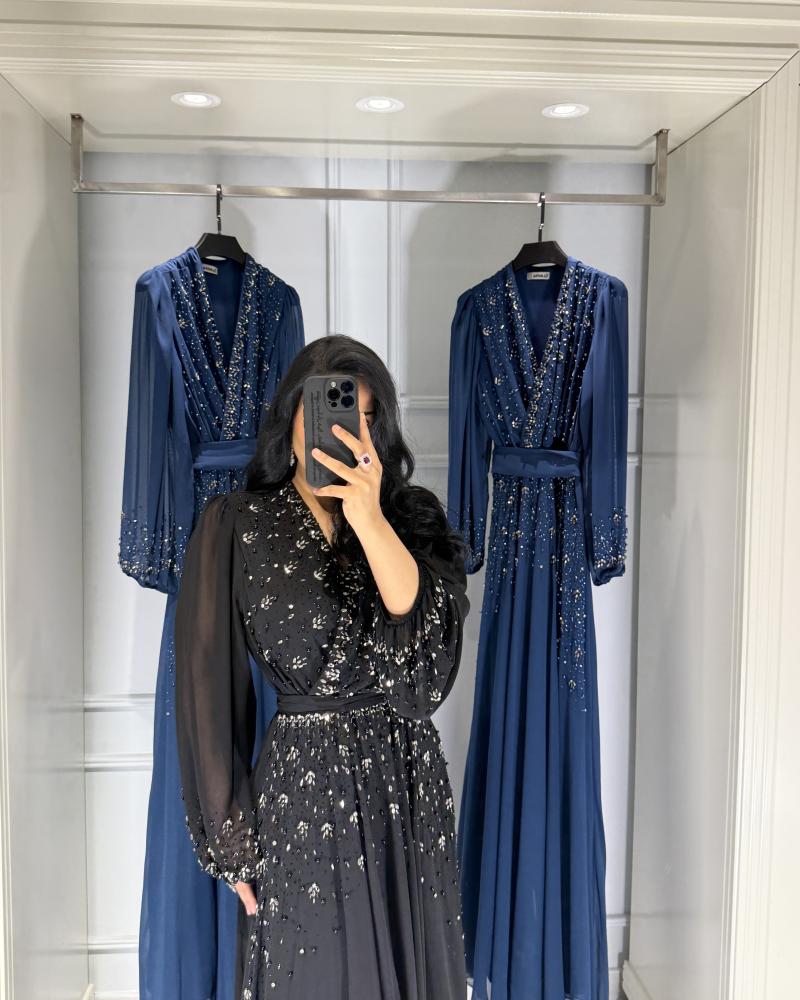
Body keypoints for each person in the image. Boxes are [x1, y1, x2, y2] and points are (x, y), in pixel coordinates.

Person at [174, 334, 471, 1000]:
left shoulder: (412, 520)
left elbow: (426, 677)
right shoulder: (236, 525)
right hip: (301, 797)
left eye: (360, 419)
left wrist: (369, 518)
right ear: (293, 418)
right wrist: (230, 842)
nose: (343, 433)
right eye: (328, 413)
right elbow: (205, 689)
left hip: (405, 788)